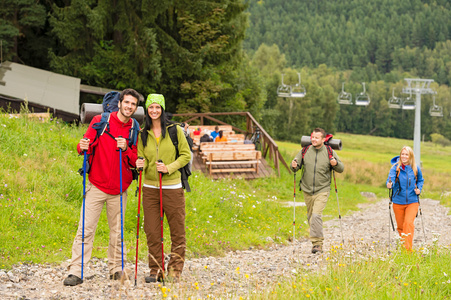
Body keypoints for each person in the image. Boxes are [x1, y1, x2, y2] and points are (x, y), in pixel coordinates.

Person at [64, 88, 141, 286]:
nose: (129, 107)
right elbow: (85, 145)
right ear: (120, 103)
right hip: (96, 185)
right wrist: (81, 146)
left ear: (135, 107)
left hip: (120, 188)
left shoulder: (134, 128)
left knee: (118, 232)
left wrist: (126, 149)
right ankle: (76, 271)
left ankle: (116, 269)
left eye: (133, 104)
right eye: (127, 102)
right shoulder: (100, 120)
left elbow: (135, 160)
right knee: (85, 230)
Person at [136, 94, 190, 283]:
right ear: (147, 110)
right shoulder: (143, 133)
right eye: (151, 107)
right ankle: (155, 270)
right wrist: (139, 164)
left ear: (163, 109)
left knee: (177, 230)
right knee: (152, 231)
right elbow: (140, 156)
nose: (154, 110)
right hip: (149, 187)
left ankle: (175, 270)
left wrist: (169, 168)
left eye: (158, 107)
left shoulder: (175, 130)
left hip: (172, 187)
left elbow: (186, 155)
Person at [290, 128, 344, 254]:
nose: (313, 139)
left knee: (316, 215)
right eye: (312, 137)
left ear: (323, 139)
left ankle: (317, 244)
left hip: (322, 189)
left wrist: (335, 163)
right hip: (307, 189)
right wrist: (294, 165)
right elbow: (295, 167)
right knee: (310, 217)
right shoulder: (305, 150)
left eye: (316, 137)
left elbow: (341, 168)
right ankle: (316, 242)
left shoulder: (329, 151)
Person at [386, 146, 424, 250]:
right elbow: (390, 179)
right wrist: (390, 184)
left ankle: (408, 251)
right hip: (398, 201)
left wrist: (419, 189)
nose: (404, 156)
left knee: (408, 224)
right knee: (401, 227)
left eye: (406, 154)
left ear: (410, 156)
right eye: (402, 154)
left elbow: (420, 180)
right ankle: (404, 249)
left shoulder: (416, 168)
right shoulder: (395, 168)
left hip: (413, 201)